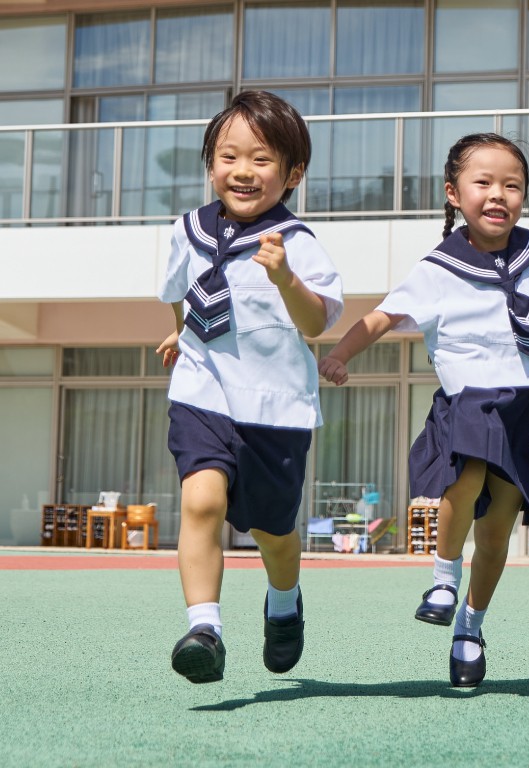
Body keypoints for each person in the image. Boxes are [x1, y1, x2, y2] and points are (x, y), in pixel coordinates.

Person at [319, 132, 529, 688]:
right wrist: (340, 354)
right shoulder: (439, 267)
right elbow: (382, 316)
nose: (499, 194)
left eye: (512, 185)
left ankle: (470, 628)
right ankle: (443, 579)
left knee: (497, 533)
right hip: (471, 397)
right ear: (453, 193)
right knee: (465, 479)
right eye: (484, 182)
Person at [157, 91, 343, 684]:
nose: (243, 171)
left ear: (293, 174)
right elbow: (177, 297)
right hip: (202, 392)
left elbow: (316, 323)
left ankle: (284, 603)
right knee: (201, 500)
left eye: (261, 160)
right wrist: (176, 334)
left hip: (274, 409)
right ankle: (204, 628)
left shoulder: (299, 242)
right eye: (228, 156)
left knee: (273, 533)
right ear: (210, 164)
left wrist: (284, 276)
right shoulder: (186, 230)